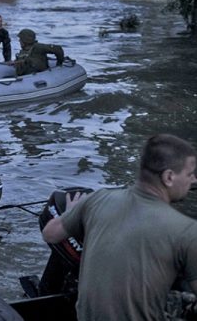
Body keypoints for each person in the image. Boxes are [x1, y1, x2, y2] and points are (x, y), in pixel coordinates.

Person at [42, 134, 197, 321]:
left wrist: (73, 213)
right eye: (189, 174)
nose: (194, 180)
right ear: (169, 177)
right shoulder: (187, 230)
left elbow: (49, 234)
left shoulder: (97, 199)